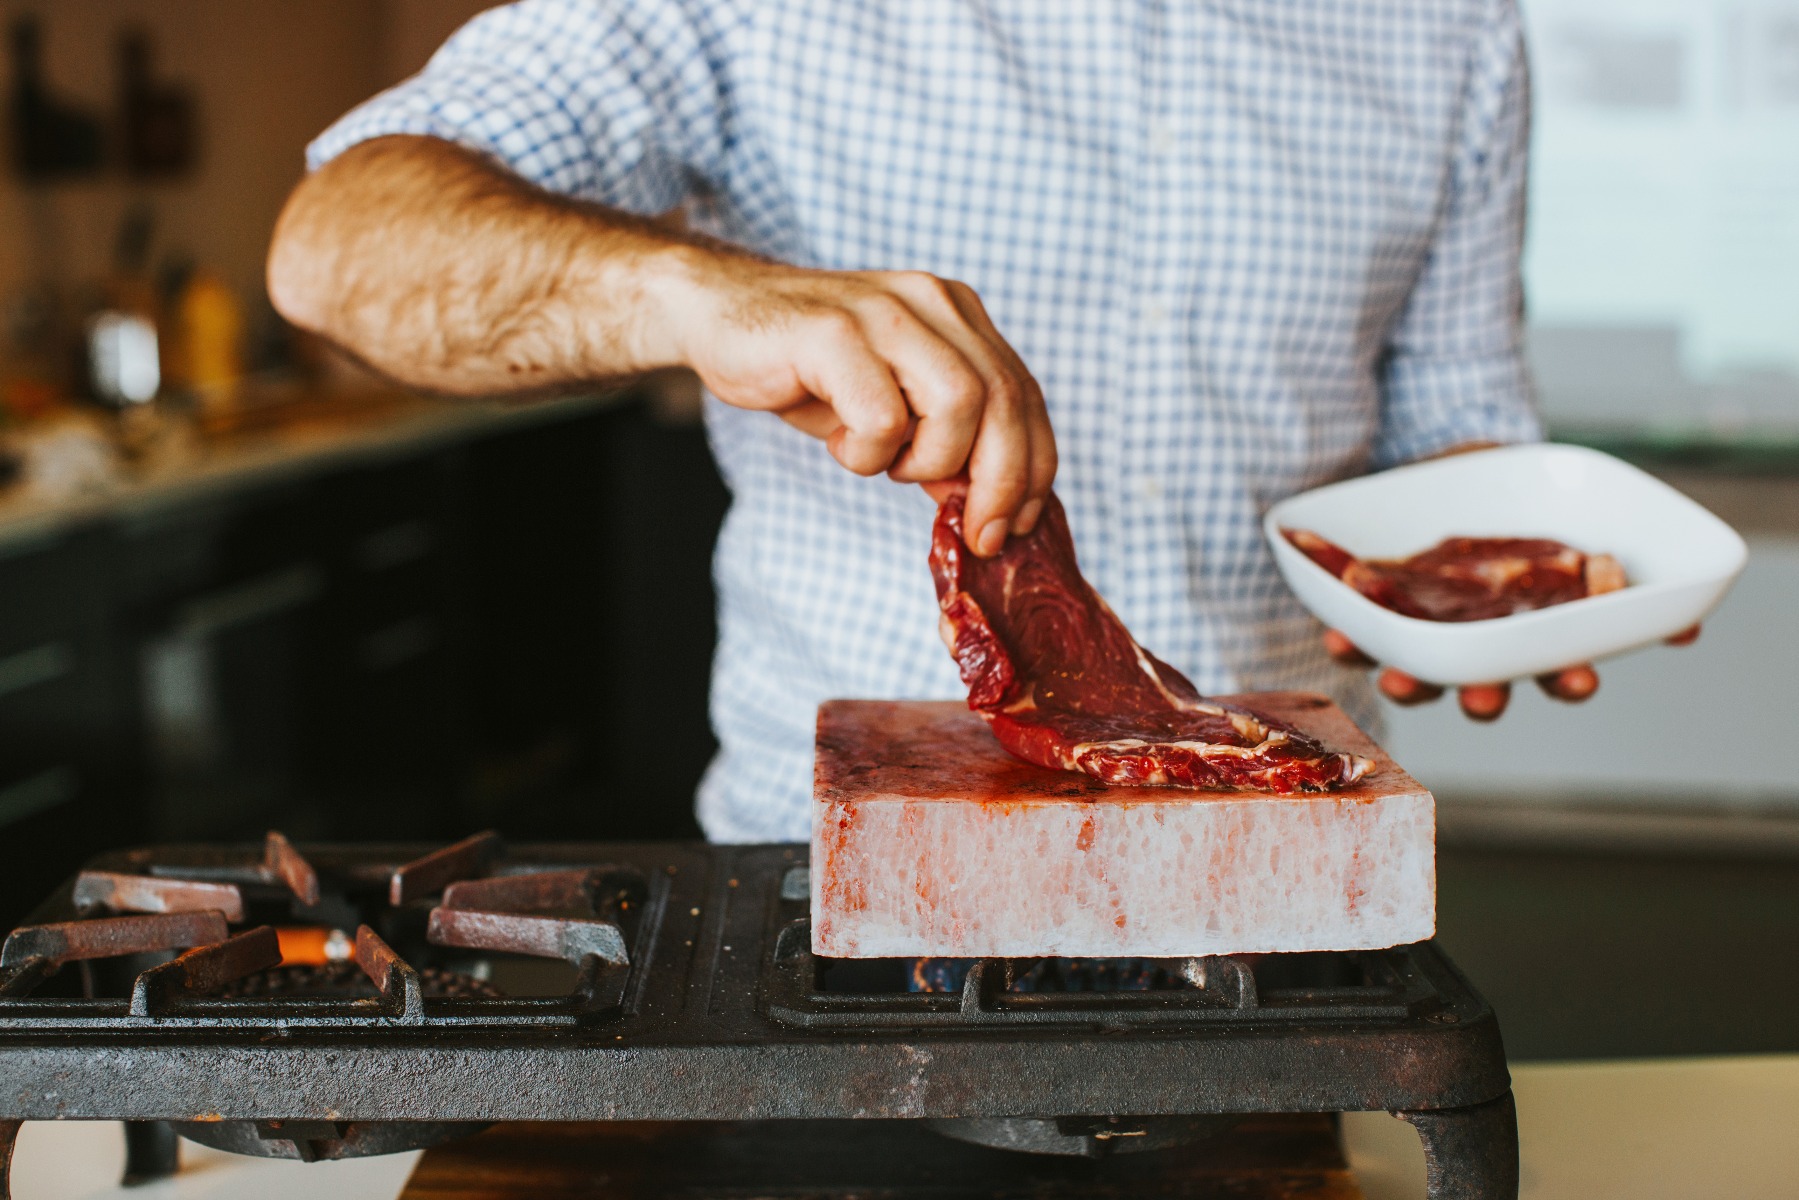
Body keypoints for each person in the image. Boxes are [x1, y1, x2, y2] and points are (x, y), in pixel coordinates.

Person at [269, 0, 1652, 844]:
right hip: (844, 875)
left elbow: (1458, 419)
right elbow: (338, 248)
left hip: (1277, 866)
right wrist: (690, 291)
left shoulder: (1450, 23)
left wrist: (1498, 572)